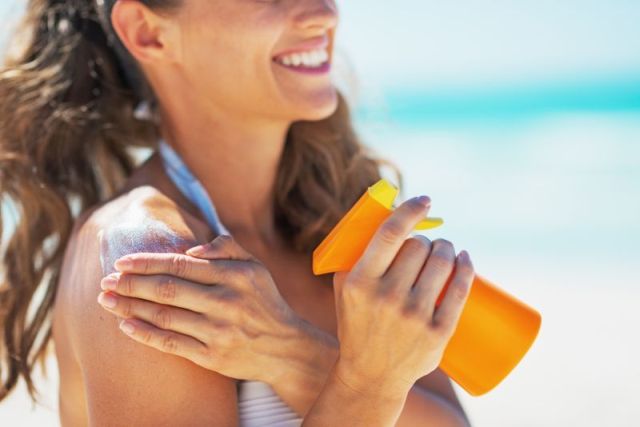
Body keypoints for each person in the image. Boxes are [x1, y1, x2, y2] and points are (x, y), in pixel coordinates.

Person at [0, 0, 475, 425]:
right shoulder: (152, 254)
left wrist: (291, 352)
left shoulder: (329, 211)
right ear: (149, 32)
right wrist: (366, 385)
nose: (325, 13)